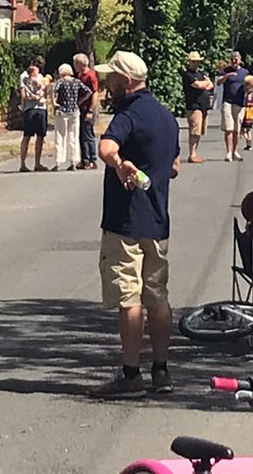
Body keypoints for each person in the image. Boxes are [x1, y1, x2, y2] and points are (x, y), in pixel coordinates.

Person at [96, 49, 180, 397]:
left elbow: (105, 147)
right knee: (157, 296)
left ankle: (131, 374)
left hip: (126, 222)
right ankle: (161, 370)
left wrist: (120, 164)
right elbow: (174, 166)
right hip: (157, 220)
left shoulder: (127, 114)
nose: (107, 83)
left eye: (111, 78)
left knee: (129, 298)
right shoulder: (166, 117)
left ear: (126, 81)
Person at [181, 51, 215, 163]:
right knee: (194, 131)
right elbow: (198, 85)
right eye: (193, 61)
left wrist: (205, 84)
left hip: (203, 106)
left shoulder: (201, 73)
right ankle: (192, 154)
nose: (196, 63)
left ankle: (195, 153)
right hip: (194, 106)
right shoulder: (188, 75)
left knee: (199, 131)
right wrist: (205, 84)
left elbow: (211, 85)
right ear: (189, 62)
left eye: (197, 61)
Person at [216, 50, 251, 162]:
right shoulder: (226, 70)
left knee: (237, 130)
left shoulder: (245, 72)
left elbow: (250, 85)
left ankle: (235, 151)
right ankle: (228, 152)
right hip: (228, 102)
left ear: (240, 60)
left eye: (236, 59)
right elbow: (218, 82)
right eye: (232, 59)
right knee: (228, 129)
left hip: (239, 103)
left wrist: (249, 91)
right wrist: (227, 76)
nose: (234, 61)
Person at [17, 56, 50, 173]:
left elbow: (45, 92)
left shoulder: (41, 77)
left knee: (40, 136)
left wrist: (44, 91)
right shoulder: (24, 76)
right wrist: (32, 98)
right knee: (27, 135)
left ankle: (37, 163)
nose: (38, 68)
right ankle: (23, 164)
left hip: (41, 108)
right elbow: (23, 94)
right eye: (36, 65)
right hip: (30, 108)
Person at [51, 62, 85, 172]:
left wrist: (54, 102)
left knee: (60, 136)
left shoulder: (60, 82)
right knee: (73, 136)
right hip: (74, 111)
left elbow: (52, 89)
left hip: (62, 111)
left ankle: (58, 162)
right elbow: (88, 91)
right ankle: (73, 161)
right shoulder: (76, 82)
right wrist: (79, 102)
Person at [74, 52, 100, 170]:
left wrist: (91, 110)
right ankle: (84, 160)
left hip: (87, 108)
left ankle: (92, 160)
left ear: (81, 63)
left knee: (88, 134)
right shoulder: (80, 75)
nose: (74, 66)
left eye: (75, 63)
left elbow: (94, 93)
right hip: (80, 108)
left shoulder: (90, 76)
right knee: (81, 134)